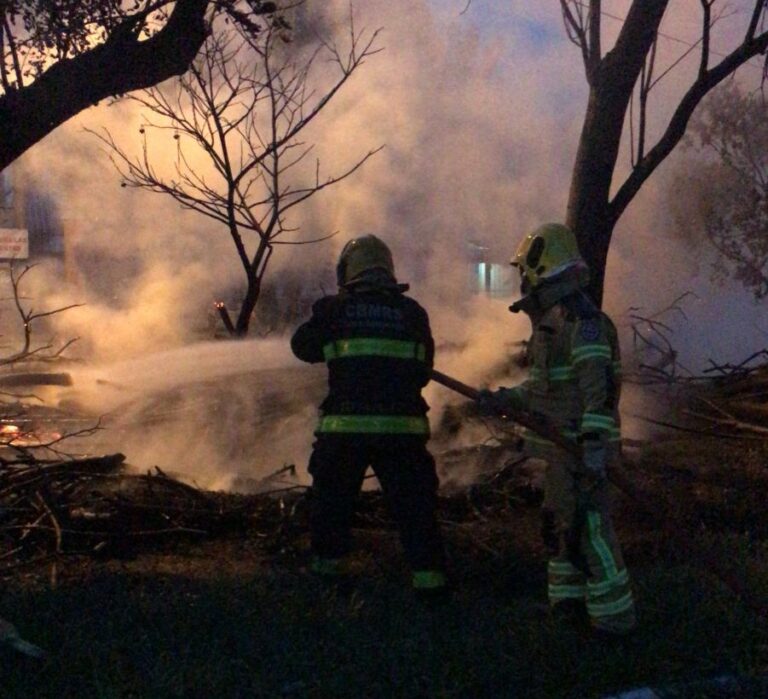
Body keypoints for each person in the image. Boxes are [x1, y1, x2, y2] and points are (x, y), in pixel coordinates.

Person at [479, 223, 636, 637]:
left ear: (540, 266)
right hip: (562, 453)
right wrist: (504, 399)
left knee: (591, 532)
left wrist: (594, 447)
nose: (521, 279)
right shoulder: (553, 322)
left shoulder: (583, 322)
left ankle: (614, 622)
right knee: (560, 527)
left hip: (581, 452)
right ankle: (568, 608)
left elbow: (599, 392)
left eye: (523, 270)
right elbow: (543, 389)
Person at [291, 234, 447, 598]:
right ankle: (430, 584)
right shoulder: (413, 314)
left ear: (348, 271)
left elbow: (302, 347)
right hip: (403, 431)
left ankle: (327, 578)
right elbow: (422, 371)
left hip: (345, 430)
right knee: (415, 508)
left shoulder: (334, 310)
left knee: (333, 505)